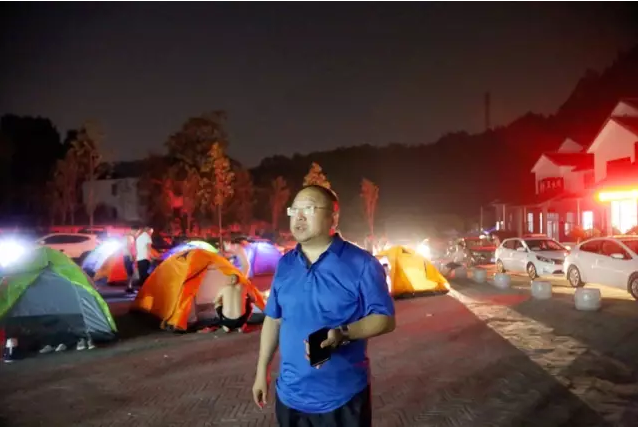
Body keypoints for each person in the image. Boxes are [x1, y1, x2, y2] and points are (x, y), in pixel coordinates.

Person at [252, 185, 396, 426]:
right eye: (294, 210)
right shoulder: (285, 264)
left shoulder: (362, 264)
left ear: (334, 217)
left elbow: (385, 318)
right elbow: (274, 319)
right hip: (289, 396)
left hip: (342, 398)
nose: (298, 216)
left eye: (308, 208)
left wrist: (343, 333)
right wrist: (261, 372)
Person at [123, 230, 137, 294]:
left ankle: (128, 287)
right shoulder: (130, 238)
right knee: (130, 273)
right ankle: (129, 287)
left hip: (125, 256)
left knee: (129, 273)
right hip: (129, 257)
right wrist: (133, 257)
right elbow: (130, 247)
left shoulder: (124, 238)